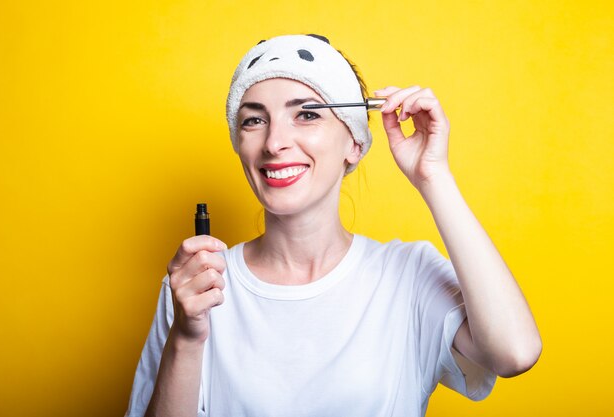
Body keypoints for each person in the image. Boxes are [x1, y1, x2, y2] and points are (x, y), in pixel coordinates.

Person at [125, 34, 542, 417]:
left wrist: (433, 176)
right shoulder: (197, 285)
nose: (274, 142)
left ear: (355, 142)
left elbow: (515, 353)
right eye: (254, 120)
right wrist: (187, 337)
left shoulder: (406, 275)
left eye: (306, 114)